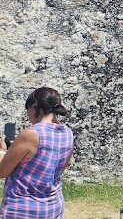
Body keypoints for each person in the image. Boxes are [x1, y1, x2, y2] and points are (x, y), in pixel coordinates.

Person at [0, 88, 74, 219]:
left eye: (27, 109)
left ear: (34, 107)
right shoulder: (68, 133)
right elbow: (58, 170)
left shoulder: (30, 134)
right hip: (53, 207)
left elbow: (2, 171)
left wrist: (3, 150)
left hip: (23, 209)